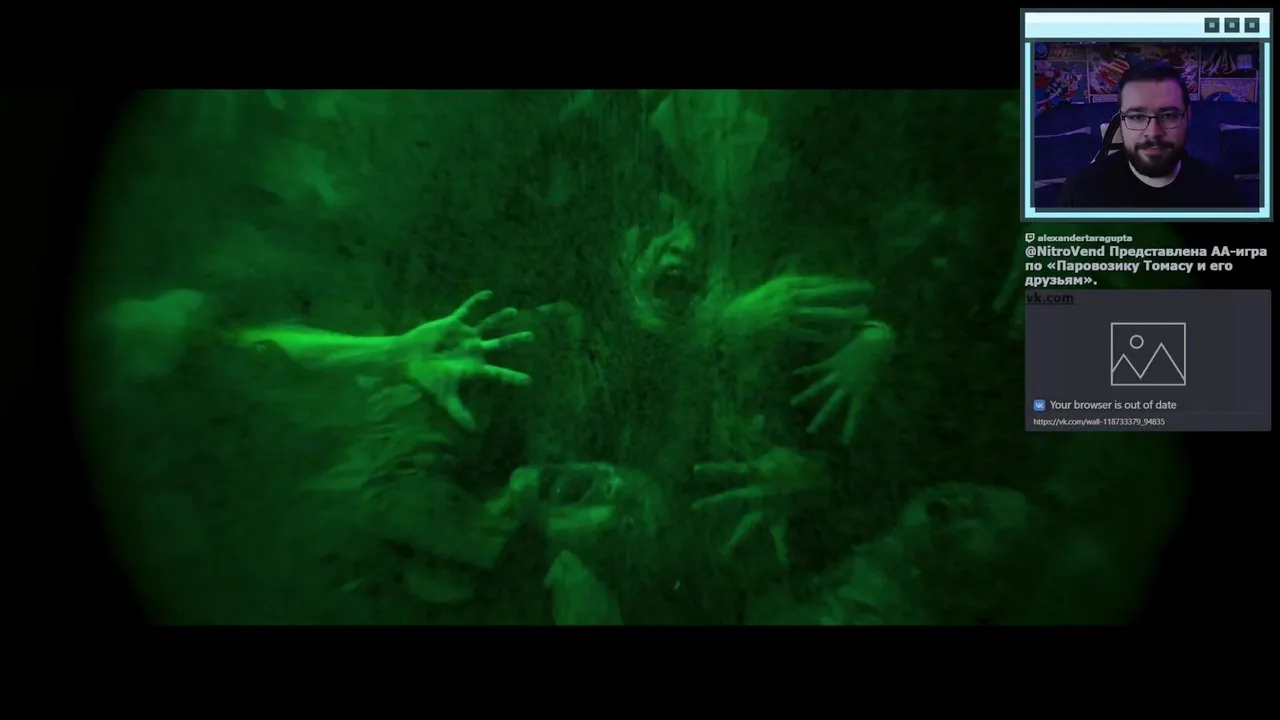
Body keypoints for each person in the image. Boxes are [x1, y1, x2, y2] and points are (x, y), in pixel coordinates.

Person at [1058, 60, 1247, 209]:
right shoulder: (1080, 192)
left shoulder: (1222, 191)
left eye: (1168, 115)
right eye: (1137, 117)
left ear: (1187, 116)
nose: (1153, 133)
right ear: (1121, 119)